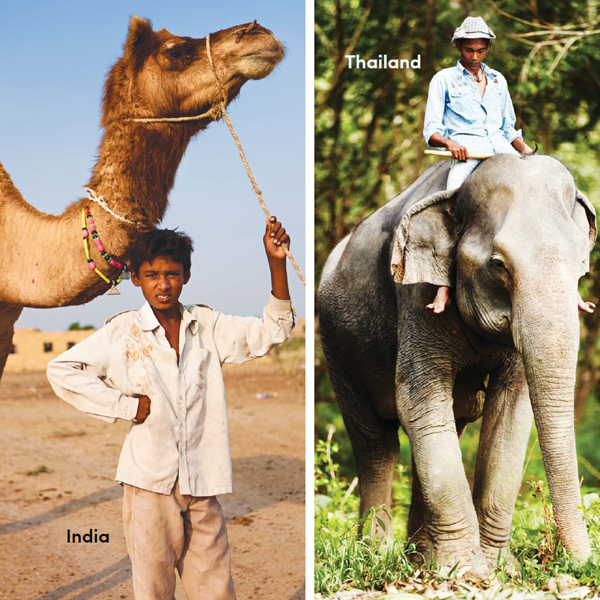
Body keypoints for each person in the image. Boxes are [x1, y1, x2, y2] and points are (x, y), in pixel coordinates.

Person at [46, 217, 295, 600]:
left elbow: (271, 331)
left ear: (187, 276)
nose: (163, 285)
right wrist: (125, 407)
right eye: (152, 275)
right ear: (136, 279)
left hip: (202, 481)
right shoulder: (123, 331)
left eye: (172, 275)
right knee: (154, 591)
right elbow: (62, 369)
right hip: (149, 484)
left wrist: (275, 262)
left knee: (215, 590)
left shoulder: (207, 324)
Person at [422, 16, 594, 314]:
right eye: (468, 51)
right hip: (468, 157)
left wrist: (528, 153)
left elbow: (508, 128)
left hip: (504, 156)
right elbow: (431, 131)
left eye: (480, 50)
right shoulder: (444, 79)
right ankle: (443, 286)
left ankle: (570, 288)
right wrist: (450, 144)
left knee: (555, 208)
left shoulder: (499, 80)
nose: (474, 57)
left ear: (487, 48)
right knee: (450, 212)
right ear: (459, 47)